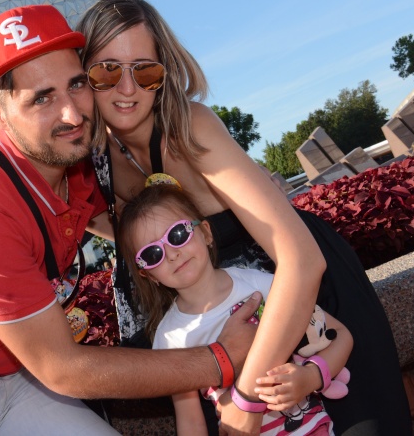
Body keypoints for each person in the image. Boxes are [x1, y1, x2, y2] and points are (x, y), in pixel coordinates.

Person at [0, 4, 261, 436]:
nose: (72, 115)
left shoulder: (78, 165)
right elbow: (64, 368)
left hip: (16, 380)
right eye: (42, 98)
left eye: (76, 85)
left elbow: (153, 210)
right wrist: (220, 359)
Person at [76, 0, 411, 435]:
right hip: (223, 329)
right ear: (82, 75)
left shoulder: (189, 126)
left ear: (164, 74)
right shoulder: (98, 165)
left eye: (145, 70)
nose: (127, 88)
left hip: (302, 303)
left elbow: (302, 261)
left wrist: (249, 398)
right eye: (106, 70)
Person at [118, 184, 353, 436]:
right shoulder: (169, 338)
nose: (172, 253)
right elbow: (190, 421)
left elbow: (340, 336)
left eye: (177, 234)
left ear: (206, 233)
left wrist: (311, 377)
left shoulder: (259, 284)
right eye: (153, 254)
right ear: (148, 275)